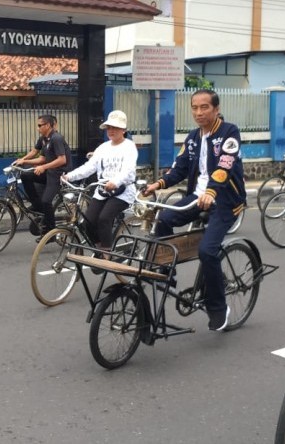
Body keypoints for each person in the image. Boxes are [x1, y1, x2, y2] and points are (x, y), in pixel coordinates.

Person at [143, 89, 246, 332]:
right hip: (195, 198)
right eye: (195, 108)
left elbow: (225, 164)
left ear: (216, 109)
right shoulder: (192, 138)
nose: (199, 112)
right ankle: (167, 273)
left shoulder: (229, 132)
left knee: (207, 252)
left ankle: (219, 308)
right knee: (164, 218)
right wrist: (158, 184)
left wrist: (212, 191)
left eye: (204, 107)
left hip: (225, 200)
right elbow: (179, 168)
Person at [61, 110, 137, 251]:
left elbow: (128, 170)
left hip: (123, 191)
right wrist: (69, 176)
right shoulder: (103, 148)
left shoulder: (129, 147)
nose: (111, 130)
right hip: (102, 190)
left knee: (104, 219)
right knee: (88, 222)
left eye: (115, 127)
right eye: (109, 127)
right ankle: (99, 249)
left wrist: (116, 181)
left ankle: (107, 255)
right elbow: (89, 167)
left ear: (124, 130)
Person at [13, 114, 71, 234]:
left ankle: (51, 232)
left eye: (40, 125)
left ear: (48, 125)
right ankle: (37, 206)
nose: (38, 128)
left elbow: (62, 160)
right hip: (49, 172)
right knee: (26, 176)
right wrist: (23, 160)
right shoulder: (44, 139)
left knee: (46, 201)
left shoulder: (56, 138)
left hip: (59, 174)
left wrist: (43, 167)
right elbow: (40, 157)